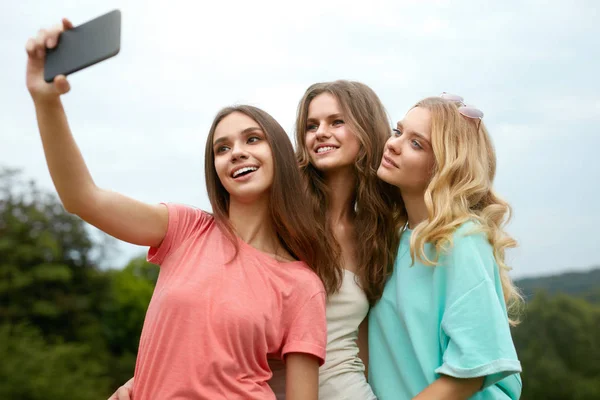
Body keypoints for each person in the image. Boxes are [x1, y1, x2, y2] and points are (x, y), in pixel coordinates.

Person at [26, 19, 333, 400]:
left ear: (281, 156)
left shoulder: (302, 286)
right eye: (222, 148)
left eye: (252, 139)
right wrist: (46, 99)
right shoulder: (186, 230)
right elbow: (82, 198)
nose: (236, 151)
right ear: (215, 169)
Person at [369, 93, 523, 400]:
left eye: (416, 143)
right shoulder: (397, 241)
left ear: (444, 167)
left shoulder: (462, 239)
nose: (393, 144)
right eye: (398, 131)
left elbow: (474, 368)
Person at [268, 80, 404, 399]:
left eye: (336, 122)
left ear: (366, 129)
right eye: (311, 125)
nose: (320, 133)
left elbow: (361, 342)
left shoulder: (377, 233)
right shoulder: (282, 216)